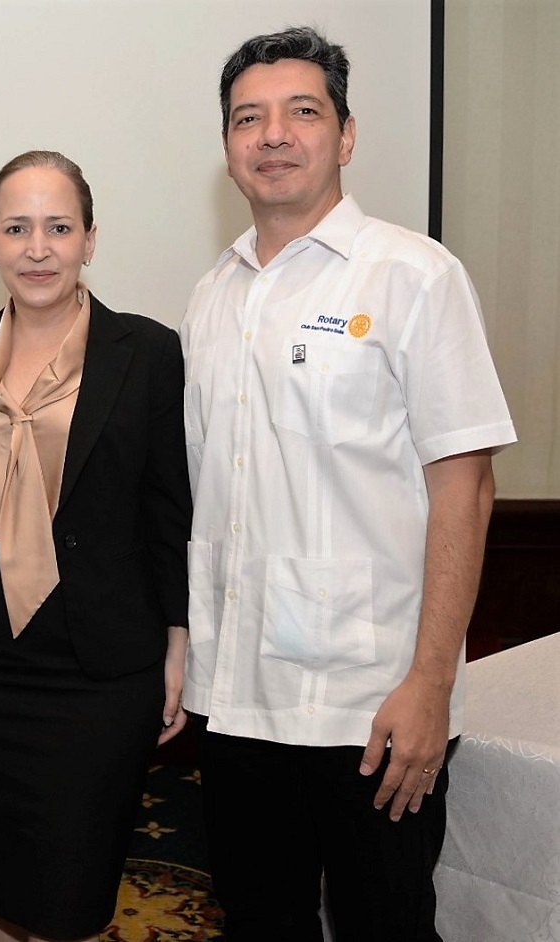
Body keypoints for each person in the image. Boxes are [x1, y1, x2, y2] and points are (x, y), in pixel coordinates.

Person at [181, 27, 516, 942]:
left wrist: (429, 683)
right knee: (259, 922)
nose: (273, 135)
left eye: (301, 112)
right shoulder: (212, 295)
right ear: (227, 146)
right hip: (239, 697)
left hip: (368, 706)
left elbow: (464, 487)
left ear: (346, 133)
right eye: (248, 118)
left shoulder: (413, 275)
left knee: (385, 925)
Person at [0, 150, 192, 942]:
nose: (38, 248)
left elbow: (169, 511)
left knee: (70, 884)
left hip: (95, 665)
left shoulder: (147, 351)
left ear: (90, 239)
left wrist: (177, 645)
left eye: (58, 227)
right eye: (17, 228)